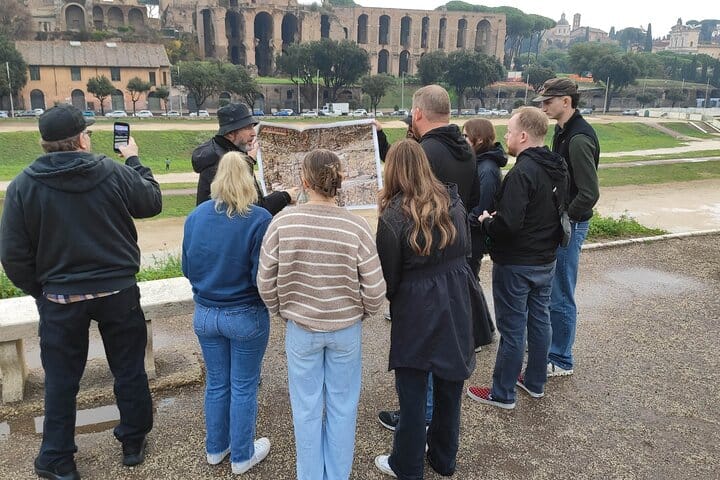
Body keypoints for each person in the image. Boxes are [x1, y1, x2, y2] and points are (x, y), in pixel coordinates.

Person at [0, 104, 161, 480]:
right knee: (129, 369)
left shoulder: (23, 185)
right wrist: (133, 159)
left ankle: (58, 458)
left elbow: (12, 255)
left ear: (44, 144)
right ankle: (133, 441)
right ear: (82, 140)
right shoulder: (111, 171)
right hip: (117, 290)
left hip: (62, 298)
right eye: (87, 133)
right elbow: (151, 202)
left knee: (61, 380)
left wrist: (42, 291)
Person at [257, 149, 386, 480]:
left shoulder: (282, 222)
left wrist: (281, 310)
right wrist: (361, 312)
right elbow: (375, 288)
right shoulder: (355, 226)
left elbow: (265, 281)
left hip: (301, 327)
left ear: (304, 181)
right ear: (340, 180)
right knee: (343, 407)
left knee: (306, 409)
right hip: (345, 328)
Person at [377, 84, 491, 432]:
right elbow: (468, 199)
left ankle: (420, 418)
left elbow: (405, 185)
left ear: (417, 113)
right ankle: (435, 426)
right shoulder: (466, 148)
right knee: (446, 355)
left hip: (423, 258)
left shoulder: (425, 152)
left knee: (420, 355)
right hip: (456, 256)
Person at [373, 140, 476, 479]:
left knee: (413, 391)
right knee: (449, 385)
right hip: (456, 297)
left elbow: (389, 276)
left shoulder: (393, 216)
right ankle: (444, 457)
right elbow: (466, 249)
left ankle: (407, 464)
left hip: (416, 304)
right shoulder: (453, 201)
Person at [466, 107, 568, 410]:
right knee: (540, 320)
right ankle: (535, 381)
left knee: (513, 329)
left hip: (517, 263)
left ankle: (502, 393)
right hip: (545, 259)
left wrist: (486, 221)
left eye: (509, 131)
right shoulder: (556, 165)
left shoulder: (522, 172)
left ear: (523, 136)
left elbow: (507, 225)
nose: (506, 136)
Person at [182, 151, 273, 474]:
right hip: (245, 312)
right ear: (249, 180)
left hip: (206, 312)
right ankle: (242, 454)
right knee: (243, 385)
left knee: (217, 383)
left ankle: (216, 447)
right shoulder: (259, 218)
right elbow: (261, 276)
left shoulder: (196, 216)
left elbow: (187, 267)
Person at [534, 78, 600, 377]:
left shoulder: (578, 138)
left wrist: (565, 219)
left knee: (561, 292)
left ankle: (561, 359)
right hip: (563, 220)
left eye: (548, 101)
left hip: (571, 224)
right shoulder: (563, 131)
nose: (543, 107)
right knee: (553, 289)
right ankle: (551, 348)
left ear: (566, 101)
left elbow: (589, 193)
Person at [192, 102, 297, 211]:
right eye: (247, 128)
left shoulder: (222, 152)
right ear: (230, 134)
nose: (253, 133)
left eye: (252, 127)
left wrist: (248, 160)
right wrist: (285, 196)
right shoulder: (222, 162)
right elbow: (253, 209)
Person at [462, 118, 508, 275]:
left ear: (479, 139)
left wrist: (459, 223)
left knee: (469, 280)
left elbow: (482, 208)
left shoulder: (487, 169)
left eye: (466, 136)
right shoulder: (479, 162)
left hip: (474, 236)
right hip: (470, 232)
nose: (462, 140)